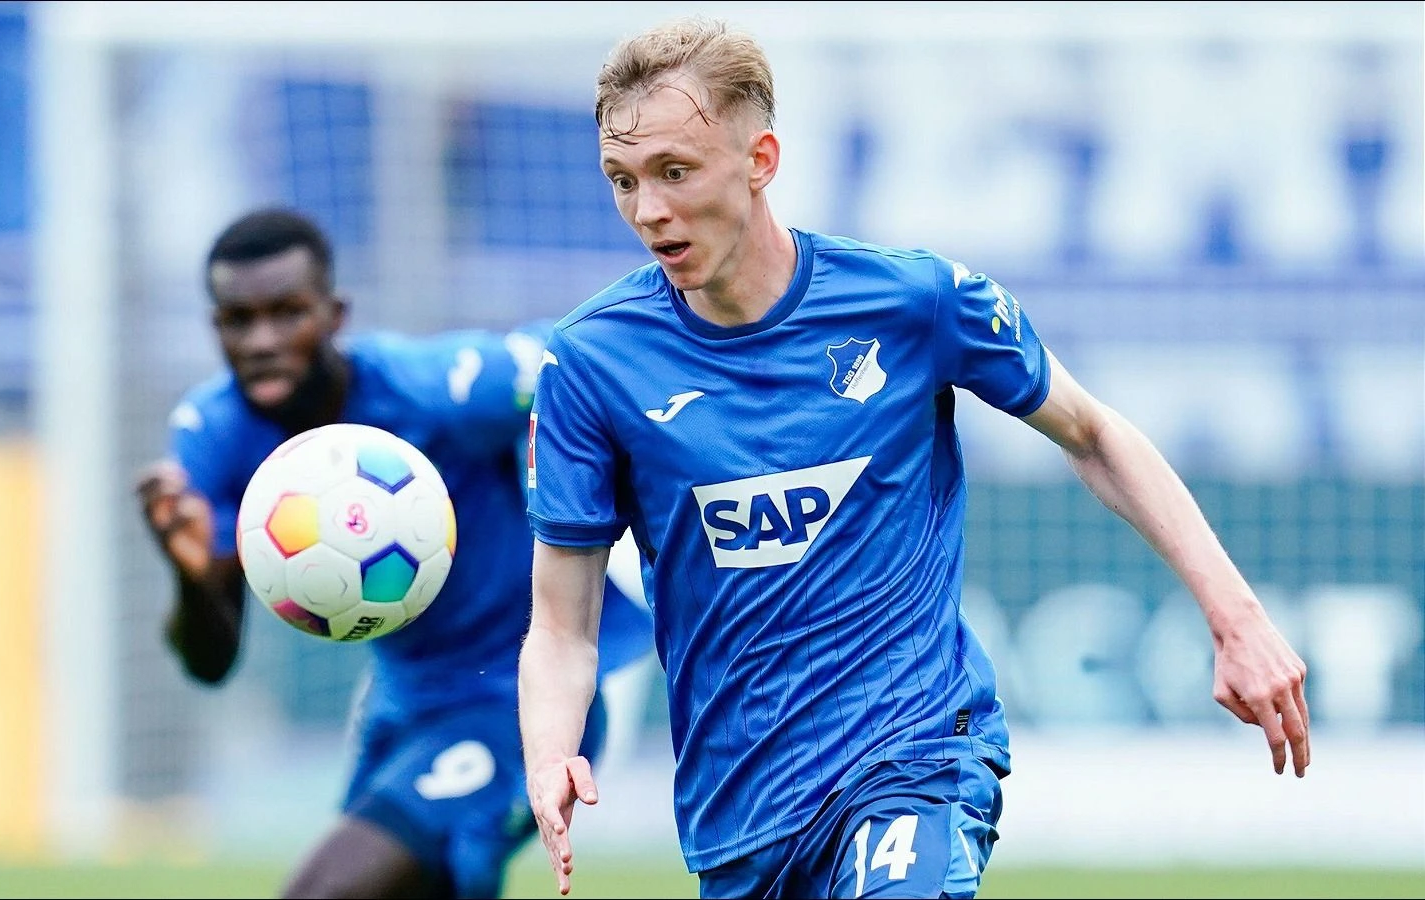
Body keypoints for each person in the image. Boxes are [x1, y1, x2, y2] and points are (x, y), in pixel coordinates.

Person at [517, 16, 1312, 900]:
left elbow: (1094, 433)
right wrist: (552, 751)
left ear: (761, 160)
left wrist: (1237, 618)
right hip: (741, 812)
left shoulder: (912, 301)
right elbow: (562, 625)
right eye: (622, 181)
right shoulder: (591, 361)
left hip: (914, 755)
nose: (648, 210)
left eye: (675, 172)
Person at [134, 206, 655, 899]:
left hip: (520, 697)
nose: (262, 340)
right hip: (404, 706)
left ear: (334, 313)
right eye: (239, 319)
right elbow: (210, 662)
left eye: (287, 313)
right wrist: (193, 578)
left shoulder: (436, 389)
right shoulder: (213, 436)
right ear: (215, 327)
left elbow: (581, 363)